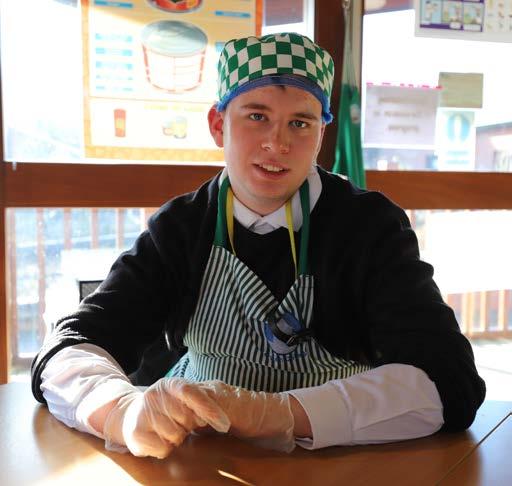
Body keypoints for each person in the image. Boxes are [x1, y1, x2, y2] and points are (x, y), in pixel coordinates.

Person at [31, 32, 485, 459]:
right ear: (218, 125)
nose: (277, 143)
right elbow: (72, 345)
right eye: (257, 116)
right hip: (199, 451)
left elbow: (450, 382)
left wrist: (282, 414)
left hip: (330, 455)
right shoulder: (182, 227)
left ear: (321, 135)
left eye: (300, 123)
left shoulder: (369, 227)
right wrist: (121, 413)